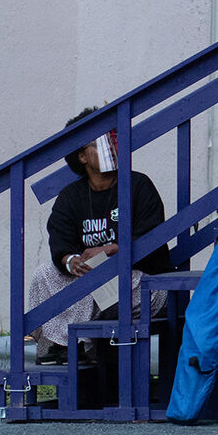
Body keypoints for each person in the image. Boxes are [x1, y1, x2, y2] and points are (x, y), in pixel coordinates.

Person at [28, 109, 171, 364]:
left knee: (96, 276)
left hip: (144, 284)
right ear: (82, 156)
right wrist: (71, 259)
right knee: (44, 275)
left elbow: (151, 237)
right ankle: (58, 345)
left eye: (113, 139)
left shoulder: (138, 185)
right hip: (94, 284)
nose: (111, 147)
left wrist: (111, 250)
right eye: (101, 143)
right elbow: (59, 237)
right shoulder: (71, 195)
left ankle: (72, 345)